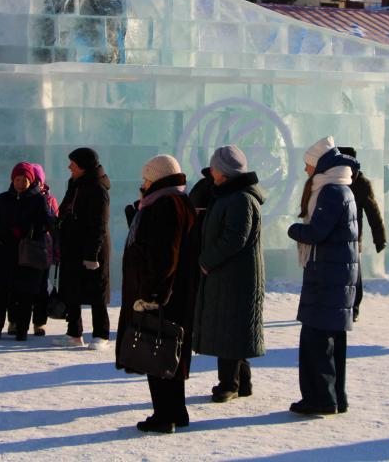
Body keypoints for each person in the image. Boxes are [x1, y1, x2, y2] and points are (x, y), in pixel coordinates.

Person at [117, 154, 198, 434]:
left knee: (157, 351)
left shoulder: (165, 204)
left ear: (158, 178)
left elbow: (165, 256)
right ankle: (177, 410)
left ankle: (164, 415)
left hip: (162, 295)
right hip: (175, 294)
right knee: (170, 353)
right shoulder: (176, 201)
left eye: (146, 178)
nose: (144, 183)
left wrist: (151, 294)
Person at [287, 138, 359, 415]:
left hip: (327, 276)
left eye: (308, 164)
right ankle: (334, 397)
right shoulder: (343, 189)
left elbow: (317, 232)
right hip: (335, 275)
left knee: (316, 341)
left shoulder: (330, 192)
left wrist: (294, 230)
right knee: (331, 340)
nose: (306, 170)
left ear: (319, 164)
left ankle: (320, 399)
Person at [193, 145, 265, 402]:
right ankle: (242, 382)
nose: (211, 172)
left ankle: (229, 384)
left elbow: (235, 238)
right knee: (234, 329)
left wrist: (206, 261)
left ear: (223, 171)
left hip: (234, 276)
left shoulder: (240, 198)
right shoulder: (232, 195)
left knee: (229, 329)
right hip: (232, 274)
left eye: (213, 168)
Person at [0, 162, 51, 341]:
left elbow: (45, 224)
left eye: (23, 179)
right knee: (1, 293)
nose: (19, 183)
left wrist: (26, 230)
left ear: (30, 180)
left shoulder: (38, 200)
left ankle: (22, 330)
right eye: (17, 179)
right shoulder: (2, 199)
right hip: (3, 253)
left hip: (26, 254)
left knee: (25, 293)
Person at [57, 147, 112, 348]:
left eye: (73, 163)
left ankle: (101, 335)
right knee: (72, 290)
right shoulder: (75, 184)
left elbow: (100, 224)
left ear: (83, 165)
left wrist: (92, 254)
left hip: (92, 248)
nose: (69, 166)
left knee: (96, 291)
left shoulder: (97, 188)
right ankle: (74, 333)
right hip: (72, 246)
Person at [337, 147, 386, 321]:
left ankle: (354, 307)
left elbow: (373, 212)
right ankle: (343, 306)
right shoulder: (335, 180)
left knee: (354, 274)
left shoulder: (361, 183)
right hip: (335, 236)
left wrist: (380, 239)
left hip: (353, 237)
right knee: (341, 273)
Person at [26, 163, 59, 337]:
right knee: (20, 288)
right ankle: (16, 321)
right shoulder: (20, 197)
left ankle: (39, 322)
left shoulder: (49, 200)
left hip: (43, 250)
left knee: (40, 288)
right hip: (24, 248)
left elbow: (54, 224)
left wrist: (57, 250)